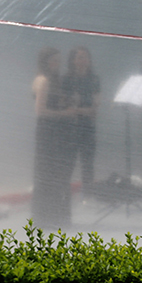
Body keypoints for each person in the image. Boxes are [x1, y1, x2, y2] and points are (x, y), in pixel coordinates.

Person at [31, 47, 77, 229]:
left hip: (51, 133)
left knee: (50, 174)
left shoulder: (47, 79)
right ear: (46, 61)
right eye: (54, 61)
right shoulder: (43, 81)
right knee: (51, 174)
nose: (58, 65)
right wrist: (65, 113)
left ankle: (50, 216)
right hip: (50, 134)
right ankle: (50, 217)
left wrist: (63, 104)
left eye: (59, 61)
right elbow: (40, 111)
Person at [62, 46, 100, 198]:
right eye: (79, 57)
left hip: (88, 127)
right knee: (68, 162)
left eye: (86, 57)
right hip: (70, 127)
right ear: (72, 60)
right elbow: (65, 104)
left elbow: (96, 106)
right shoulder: (66, 79)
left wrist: (78, 109)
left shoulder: (94, 79)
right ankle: (64, 193)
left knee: (88, 163)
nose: (83, 61)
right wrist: (82, 110)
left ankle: (88, 194)